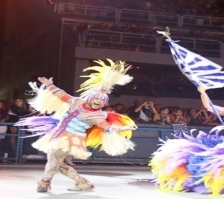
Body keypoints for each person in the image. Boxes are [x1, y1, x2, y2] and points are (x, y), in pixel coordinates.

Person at [16, 59, 137, 193]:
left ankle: (44, 182)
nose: (99, 101)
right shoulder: (77, 102)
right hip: (58, 133)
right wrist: (50, 85)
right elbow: (62, 95)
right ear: (90, 98)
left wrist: (121, 128)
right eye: (97, 98)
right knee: (56, 162)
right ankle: (82, 183)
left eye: (102, 100)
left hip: (71, 138)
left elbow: (106, 126)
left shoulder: (98, 115)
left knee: (54, 158)